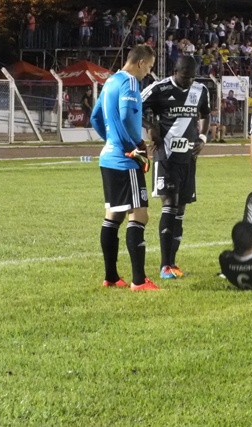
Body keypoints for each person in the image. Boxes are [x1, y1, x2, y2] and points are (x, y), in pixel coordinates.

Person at [90, 44, 159, 291]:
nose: (148, 72)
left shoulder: (110, 81)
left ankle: (111, 277)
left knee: (113, 214)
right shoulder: (130, 82)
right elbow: (126, 116)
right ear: (140, 63)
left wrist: (111, 140)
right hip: (125, 159)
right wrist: (136, 145)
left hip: (108, 157)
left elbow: (95, 117)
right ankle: (139, 281)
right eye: (149, 67)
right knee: (139, 215)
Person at [140, 55, 210, 280]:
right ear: (175, 71)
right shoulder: (159, 88)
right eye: (184, 77)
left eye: (192, 77)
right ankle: (164, 265)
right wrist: (150, 126)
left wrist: (202, 137)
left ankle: (172, 262)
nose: (188, 81)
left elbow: (205, 114)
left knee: (180, 209)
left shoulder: (201, 90)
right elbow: (133, 107)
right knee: (169, 204)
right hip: (166, 156)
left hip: (188, 158)